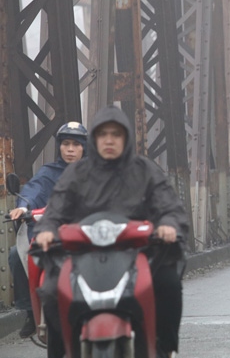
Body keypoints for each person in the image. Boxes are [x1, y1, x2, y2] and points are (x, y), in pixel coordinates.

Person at [33, 106, 189, 358]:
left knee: (168, 284)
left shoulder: (144, 170)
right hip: (83, 255)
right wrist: (47, 229)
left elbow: (168, 204)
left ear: (126, 138)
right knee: (51, 292)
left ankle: (163, 347)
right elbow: (56, 208)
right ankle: (61, 351)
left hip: (138, 252)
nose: (109, 140)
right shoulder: (76, 173)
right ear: (94, 138)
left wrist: (169, 224)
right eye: (102, 134)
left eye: (116, 134)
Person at [7, 122, 87, 339]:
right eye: (66, 144)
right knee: (16, 255)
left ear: (85, 148)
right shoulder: (48, 172)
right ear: (59, 147)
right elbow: (34, 189)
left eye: (76, 144)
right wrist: (23, 207)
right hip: (53, 233)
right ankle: (31, 312)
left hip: (85, 233)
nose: (70, 149)